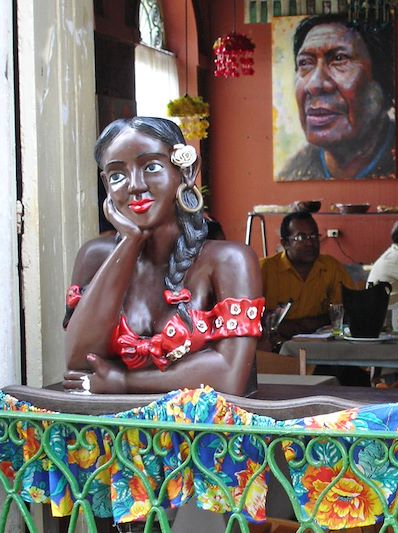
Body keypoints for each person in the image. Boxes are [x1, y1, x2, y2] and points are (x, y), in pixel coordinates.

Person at [62, 117, 263, 396]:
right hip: (109, 431)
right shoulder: (95, 257)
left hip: (203, 435)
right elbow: (78, 363)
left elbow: (229, 377)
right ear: (106, 185)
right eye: (117, 175)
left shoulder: (229, 261)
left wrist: (123, 381)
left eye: (152, 167)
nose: (134, 185)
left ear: (186, 172)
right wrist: (131, 242)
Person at [277, 14, 395, 181]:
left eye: (339, 59)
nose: (314, 84)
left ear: (385, 82)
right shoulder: (291, 172)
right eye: (305, 63)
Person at [260, 211, 354, 344]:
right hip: (274, 345)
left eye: (314, 236)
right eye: (301, 237)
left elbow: (347, 311)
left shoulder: (330, 267)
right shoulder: (264, 269)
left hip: (321, 345)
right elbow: (248, 317)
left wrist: (297, 326)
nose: (310, 243)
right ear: (285, 243)